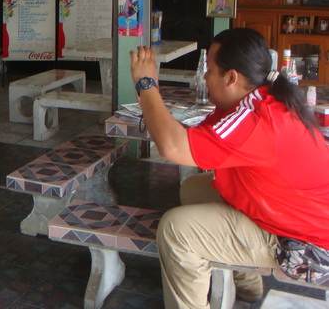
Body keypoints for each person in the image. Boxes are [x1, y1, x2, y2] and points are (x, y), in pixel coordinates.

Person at [129, 28, 329, 309]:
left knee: (176, 229)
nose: (204, 77)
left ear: (231, 77)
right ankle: (247, 282)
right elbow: (192, 142)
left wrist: (146, 85)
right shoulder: (258, 98)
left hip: (304, 245)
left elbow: (172, 148)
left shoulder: (256, 117)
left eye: (210, 69)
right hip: (293, 218)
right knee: (194, 189)